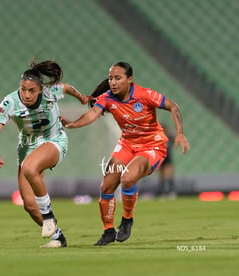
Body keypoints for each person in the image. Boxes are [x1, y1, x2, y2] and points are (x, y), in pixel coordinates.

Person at [62, 61, 190, 246]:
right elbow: (92, 114)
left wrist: (179, 133)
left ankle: (127, 219)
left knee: (128, 179)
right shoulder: (107, 98)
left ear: (129, 80)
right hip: (127, 144)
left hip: (152, 146)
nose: (113, 82)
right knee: (106, 186)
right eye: (111, 78)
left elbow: (173, 106)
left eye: (118, 78)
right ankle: (107, 231)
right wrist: (73, 124)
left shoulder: (144, 94)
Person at [0, 59, 91, 248]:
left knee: (29, 167)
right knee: (29, 205)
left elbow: (66, 87)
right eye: (23, 89)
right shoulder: (10, 102)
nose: (26, 94)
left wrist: (82, 97)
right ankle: (58, 237)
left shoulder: (51, 92)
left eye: (31, 90)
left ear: (40, 90)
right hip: (27, 147)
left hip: (54, 140)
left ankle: (49, 216)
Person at [157, 124, 177, 199]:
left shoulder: (168, 136)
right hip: (160, 158)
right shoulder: (158, 137)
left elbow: (175, 139)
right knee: (161, 176)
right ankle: (162, 192)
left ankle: (171, 191)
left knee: (169, 175)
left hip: (168, 158)